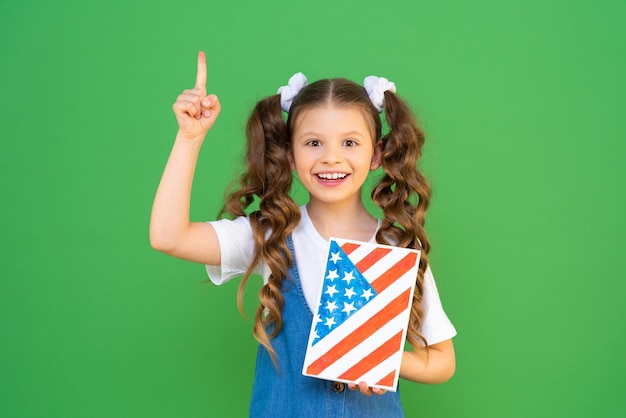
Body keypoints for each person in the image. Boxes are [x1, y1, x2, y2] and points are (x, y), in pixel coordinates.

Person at [150, 51, 456, 417]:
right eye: (313, 143)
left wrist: (382, 358)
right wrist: (189, 138)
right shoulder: (270, 235)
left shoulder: (396, 248)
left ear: (376, 155)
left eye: (349, 143)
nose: (330, 158)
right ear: (291, 155)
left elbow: (442, 361)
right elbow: (168, 236)